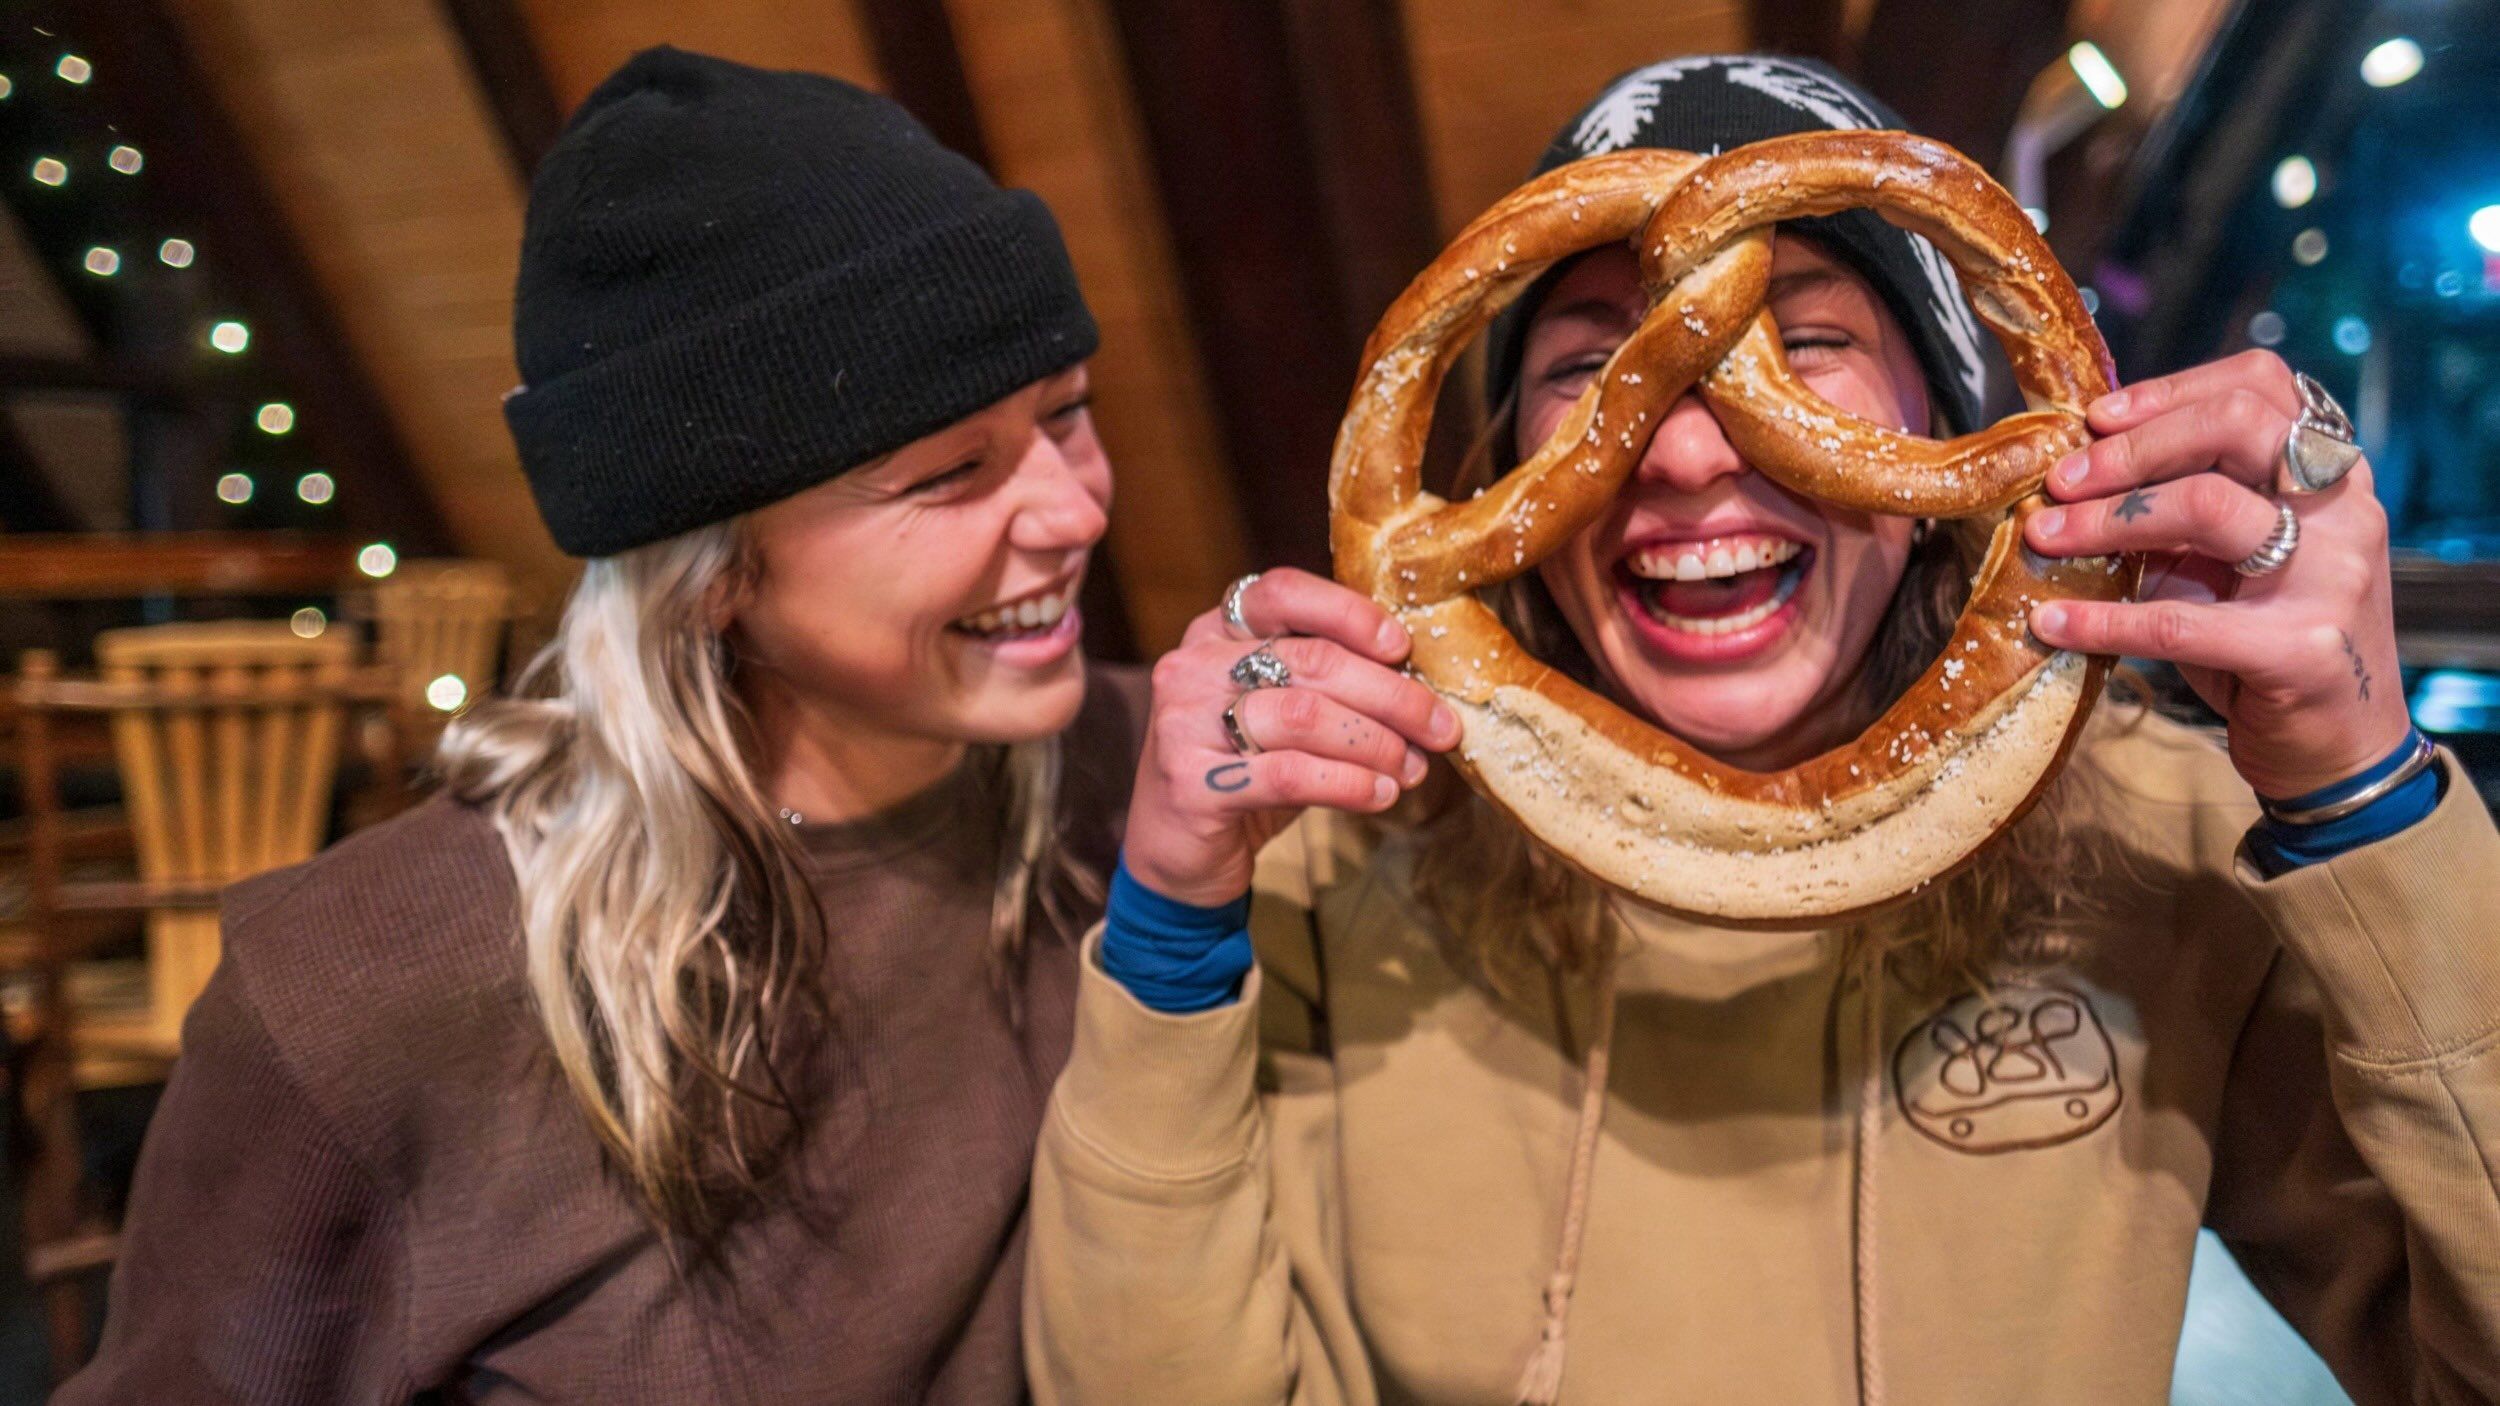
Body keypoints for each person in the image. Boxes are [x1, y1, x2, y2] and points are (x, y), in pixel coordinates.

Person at [1025, 56, 2500, 1405]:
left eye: (1801, 347)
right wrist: (1171, 926)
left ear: (1940, 416)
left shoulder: (2164, 842)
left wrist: (2363, 801)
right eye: (1588, 367)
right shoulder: (1344, 844)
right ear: (1501, 471)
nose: (1675, 446)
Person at [61, 47, 1140, 1404]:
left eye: (1069, 414)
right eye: (947, 474)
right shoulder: (365, 992)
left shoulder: (1150, 781)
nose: (1075, 508)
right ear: (714, 571)